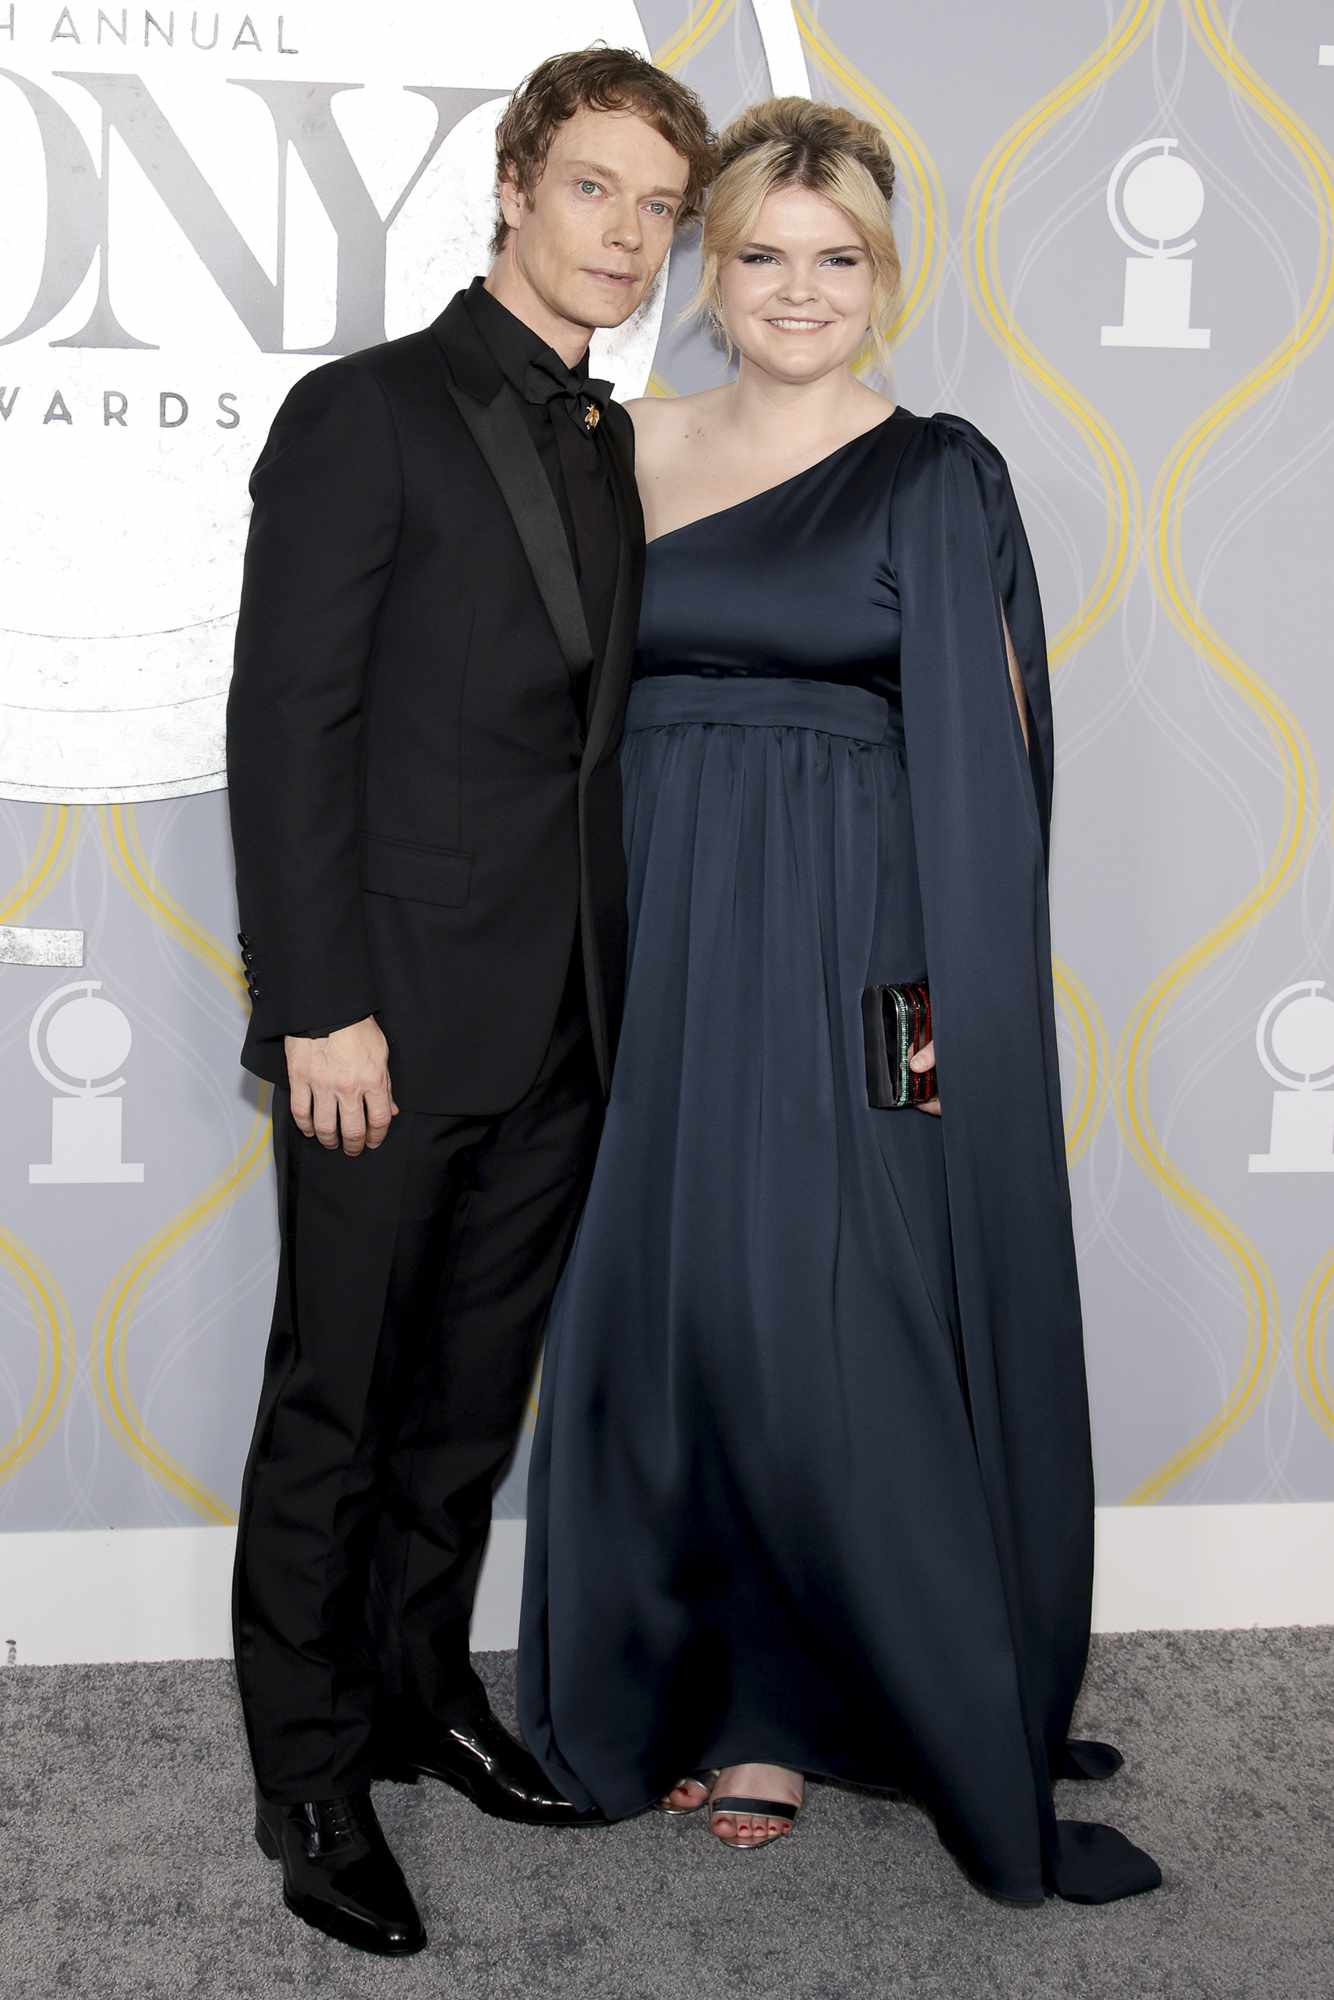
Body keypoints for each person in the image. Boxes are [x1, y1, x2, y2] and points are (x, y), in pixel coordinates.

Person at [516, 96, 1163, 1907]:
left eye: (839, 257)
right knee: (667, 1308)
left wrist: (942, 1017)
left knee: (831, 1323)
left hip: (850, 946)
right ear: (708, 274)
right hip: (646, 934)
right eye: (762, 254)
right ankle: (671, 1679)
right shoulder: (617, 447)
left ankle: (793, 1701)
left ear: (881, 279)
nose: (801, 288)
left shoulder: (936, 470)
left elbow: (990, 775)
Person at [224, 46, 716, 1956]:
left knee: (460, 1414)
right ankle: (310, 1777)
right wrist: (316, 1004)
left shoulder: (614, 433)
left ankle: (423, 1696)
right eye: (592, 187)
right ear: (513, 186)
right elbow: (287, 726)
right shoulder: (370, 411)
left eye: (655, 207)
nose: (624, 234)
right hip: (386, 1021)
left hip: (561, 1015)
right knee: (334, 1409)